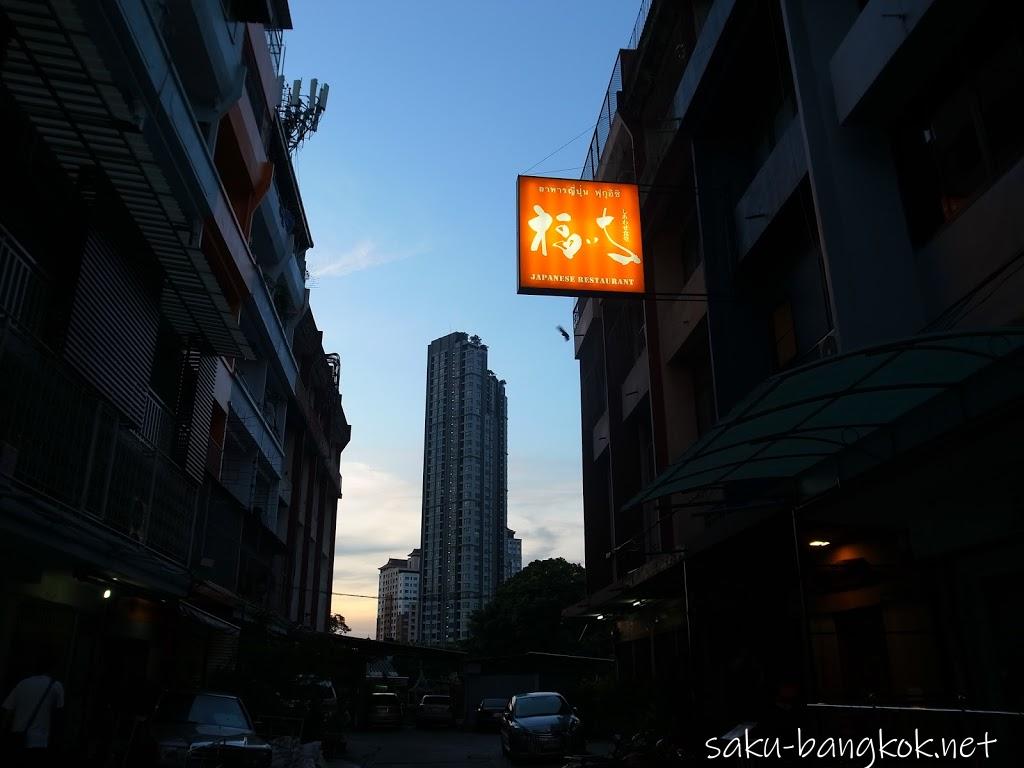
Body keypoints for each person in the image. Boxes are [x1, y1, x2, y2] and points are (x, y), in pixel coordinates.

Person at [1, 652, 64, 768]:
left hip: (17, 736)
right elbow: (59, 714)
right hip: (40, 740)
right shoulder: (56, 686)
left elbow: (8, 710)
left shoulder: (22, 684)